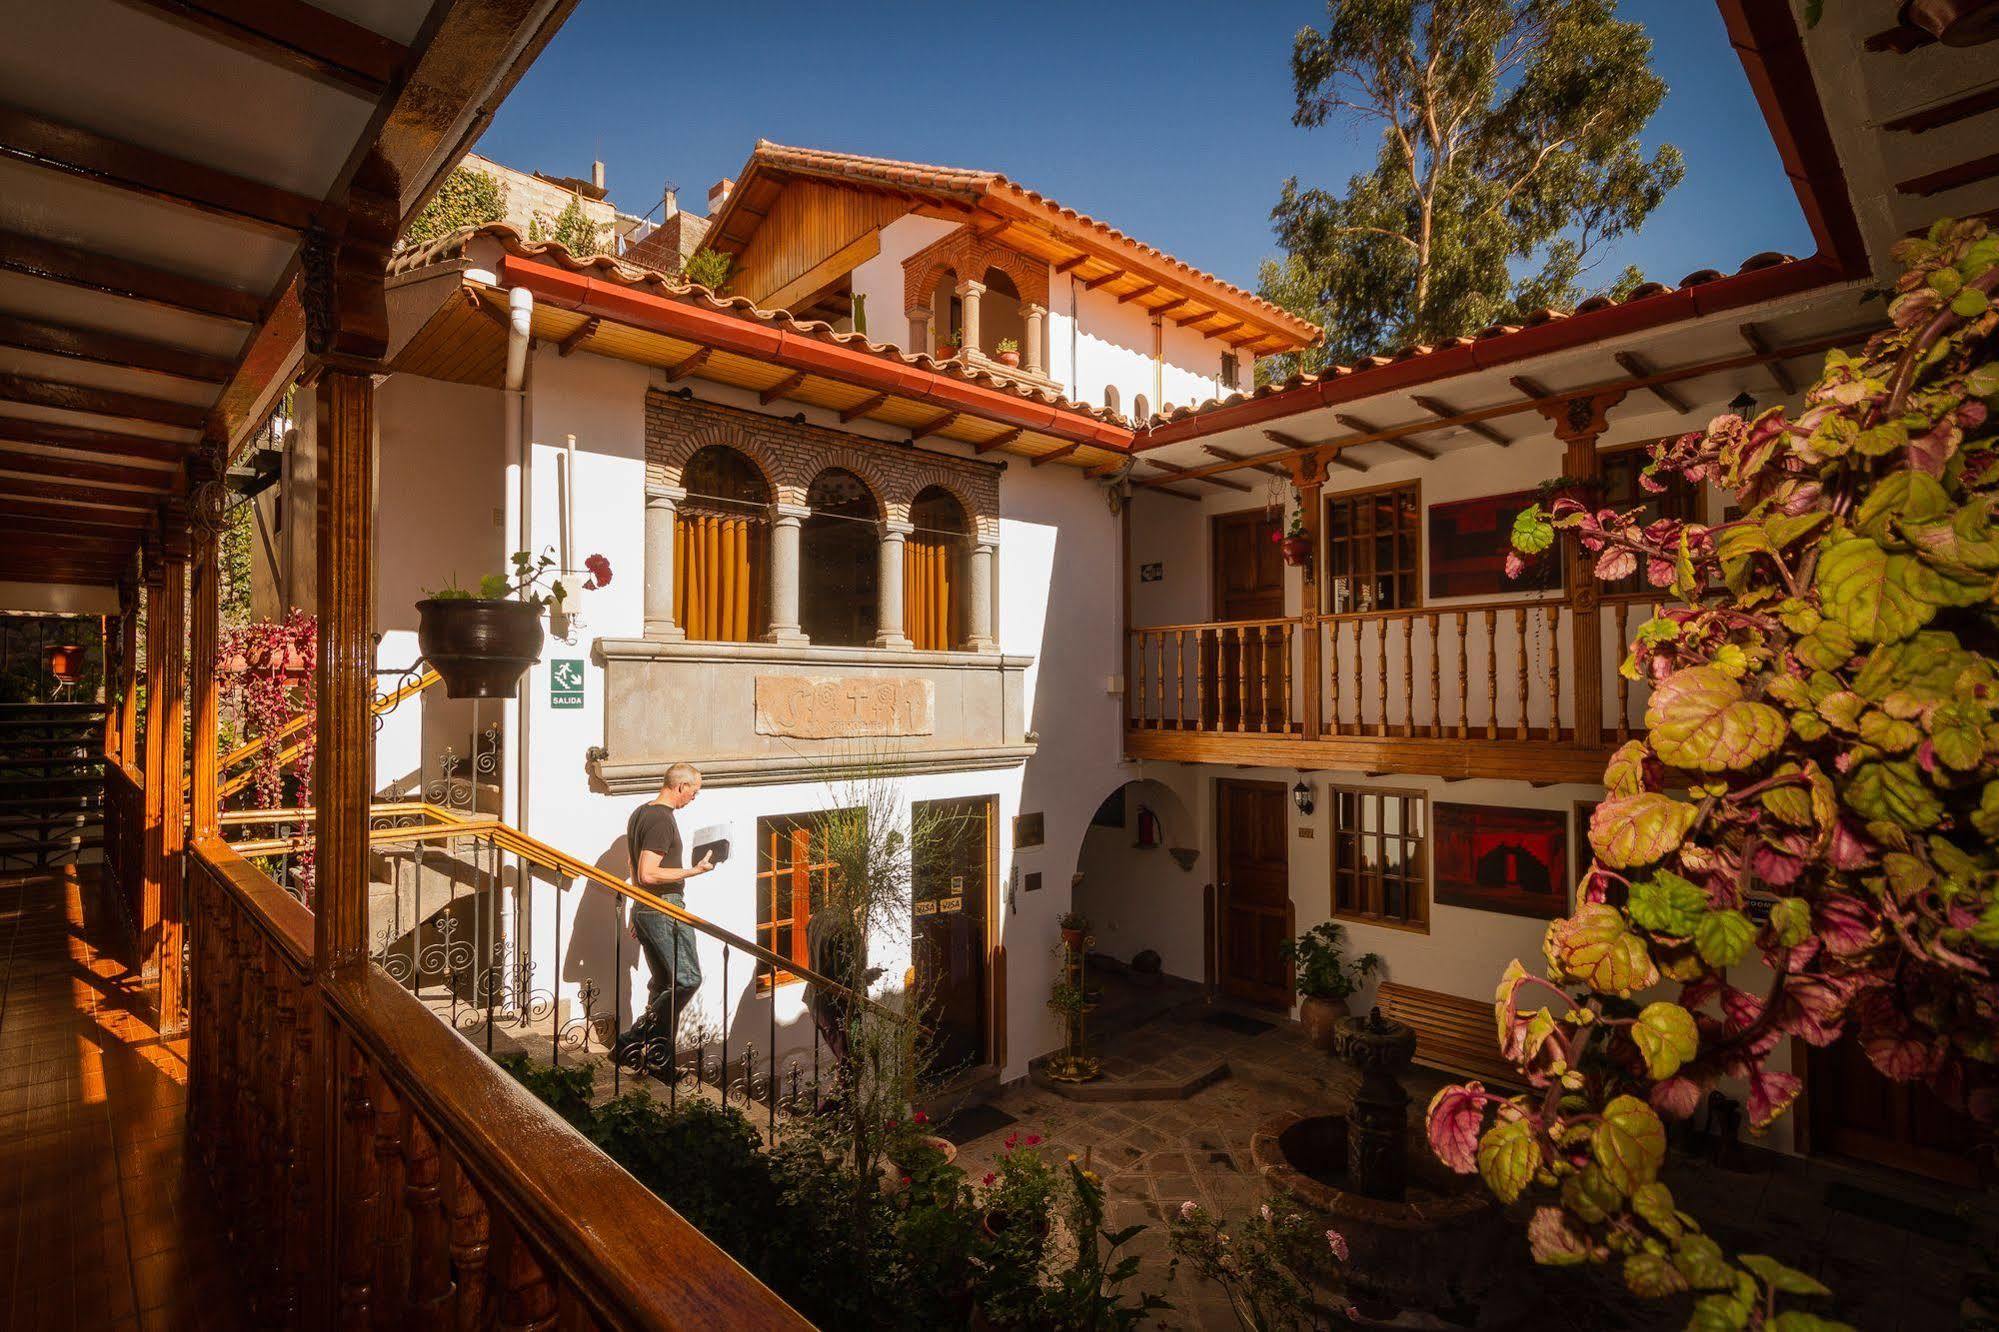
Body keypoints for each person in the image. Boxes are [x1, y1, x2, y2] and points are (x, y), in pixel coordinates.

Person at [611, 763, 714, 1070]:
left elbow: (633, 865)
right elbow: (646, 872)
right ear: (680, 786)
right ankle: (631, 1040)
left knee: (664, 984)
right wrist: (694, 871)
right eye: (693, 793)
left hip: (647, 908)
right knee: (687, 978)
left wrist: (635, 907)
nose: (693, 799)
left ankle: (660, 1061)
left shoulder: (641, 812)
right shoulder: (661, 820)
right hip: (663, 908)